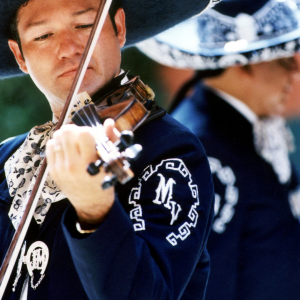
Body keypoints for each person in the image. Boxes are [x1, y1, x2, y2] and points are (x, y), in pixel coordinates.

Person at [0, 0, 219, 299]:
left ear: (119, 28)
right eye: (42, 36)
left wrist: (95, 210)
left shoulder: (170, 149)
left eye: (84, 26)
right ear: (20, 55)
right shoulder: (8, 161)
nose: (68, 48)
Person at [137, 0, 300, 299]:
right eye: (284, 59)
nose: (295, 72)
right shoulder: (204, 148)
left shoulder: (241, 130)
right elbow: (208, 282)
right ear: (244, 63)